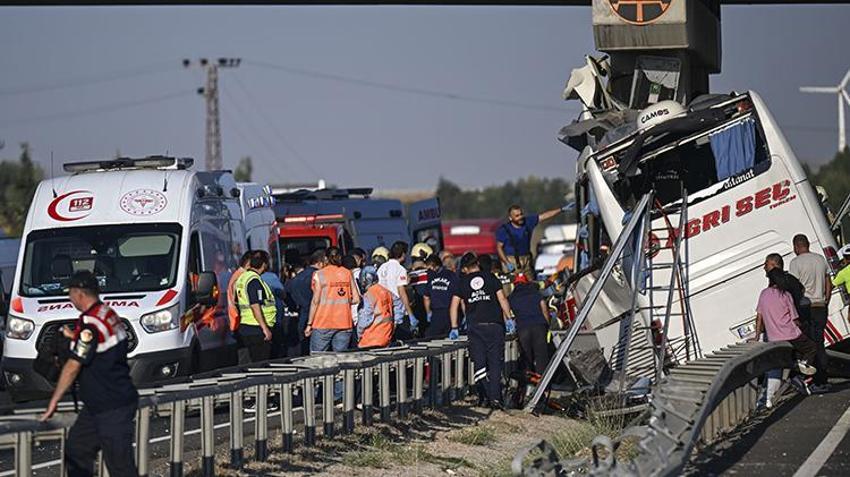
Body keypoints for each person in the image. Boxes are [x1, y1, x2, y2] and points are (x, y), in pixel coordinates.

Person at [40, 271, 139, 477]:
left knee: (120, 467)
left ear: (79, 294)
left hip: (112, 404)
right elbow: (97, 344)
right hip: (98, 404)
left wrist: (54, 400)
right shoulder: (107, 314)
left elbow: (74, 364)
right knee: (77, 451)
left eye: (70, 294)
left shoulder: (90, 323)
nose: (70, 299)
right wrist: (72, 336)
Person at [449, 252, 515, 410]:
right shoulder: (492, 278)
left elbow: (454, 306)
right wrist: (509, 318)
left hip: (475, 327)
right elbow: (502, 299)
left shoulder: (462, 282)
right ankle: (496, 399)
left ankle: (485, 397)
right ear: (477, 264)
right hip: (495, 325)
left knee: (479, 363)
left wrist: (454, 327)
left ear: (465, 268)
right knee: (494, 363)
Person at [753, 268, 818, 401]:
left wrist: (757, 334)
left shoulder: (763, 294)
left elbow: (759, 316)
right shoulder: (785, 294)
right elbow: (794, 318)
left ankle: (795, 371)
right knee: (811, 347)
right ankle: (801, 368)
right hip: (790, 333)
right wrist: (803, 326)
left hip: (773, 337)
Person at [789, 234, 832, 393]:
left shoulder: (795, 263)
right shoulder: (820, 259)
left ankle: (813, 380)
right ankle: (823, 380)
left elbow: (794, 287)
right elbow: (829, 282)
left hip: (806, 308)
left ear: (796, 246)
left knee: (809, 346)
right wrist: (826, 298)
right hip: (821, 306)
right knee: (820, 344)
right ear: (807, 244)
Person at [306, 246, 360, 352]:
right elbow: (356, 299)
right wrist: (342, 302)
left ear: (326, 258)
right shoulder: (347, 273)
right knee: (340, 358)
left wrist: (309, 324)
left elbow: (315, 301)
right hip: (344, 322)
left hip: (323, 322)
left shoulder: (319, 274)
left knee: (318, 358)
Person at [496, 204, 569, 276]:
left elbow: (544, 216)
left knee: (530, 284)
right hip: (511, 260)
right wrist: (506, 263)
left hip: (527, 259)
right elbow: (499, 247)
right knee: (514, 285)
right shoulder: (504, 230)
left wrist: (561, 210)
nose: (520, 217)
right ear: (510, 218)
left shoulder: (528, 222)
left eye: (521, 214)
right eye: (517, 216)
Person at [234, 250, 278, 363]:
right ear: (264, 264)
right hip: (256, 328)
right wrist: (265, 329)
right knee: (260, 364)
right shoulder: (254, 281)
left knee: (250, 363)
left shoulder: (243, 278)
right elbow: (255, 306)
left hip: (246, 326)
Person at [284, 250, 325, 357]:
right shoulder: (320, 276)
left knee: (304, 351)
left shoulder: (296, 279)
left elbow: (287, 295)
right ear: (320, 262)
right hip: (319, 317)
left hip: (302, 316)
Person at [508, 273, 551, 375]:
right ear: (526, 282)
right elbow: (544, 307)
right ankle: (543, 384)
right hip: (539, 326)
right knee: (541, 357)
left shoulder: (511, 297)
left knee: (526, 358)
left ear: (514, 284)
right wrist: (547, 324)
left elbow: (508, 313)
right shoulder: (535, 292)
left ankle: (528, 385)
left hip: (523, 328)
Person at [378, 241, 417, 340]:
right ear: (403, 254)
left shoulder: (382, 268)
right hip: (398, 311)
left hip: (383, 308)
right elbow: (401, 292)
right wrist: (410, 314)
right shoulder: (400, 269)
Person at [356, 266, 396, 348]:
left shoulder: (368, 295)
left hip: (369, 340)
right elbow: (398, 305)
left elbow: (364, 320)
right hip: (386, 337)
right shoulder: (386, 291)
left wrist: (359, 334)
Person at [423, 254, 457, 339]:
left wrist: (428, 312)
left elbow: (426, 297)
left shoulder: (432, 277)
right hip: (447, 311)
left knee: (431, 338)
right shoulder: (452, 276)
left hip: (440, 311)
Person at [261, 262, 287, 359]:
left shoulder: (247, 277)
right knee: (277, 344)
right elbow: (283, 294)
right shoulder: (270, 277)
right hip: (274, 316)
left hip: (256, 319)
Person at [227, 251, 253, 332]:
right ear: (249, 263)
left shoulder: (238, 275)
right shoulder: (242, 277)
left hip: (238, 321)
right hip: (241, 322)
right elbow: (237, 301)